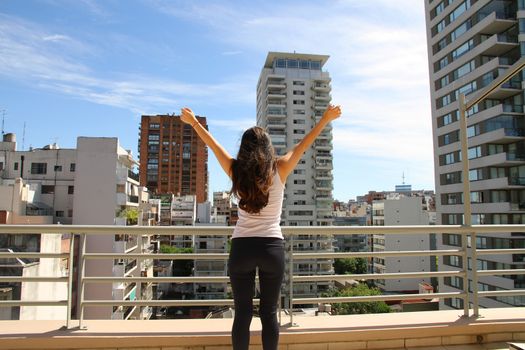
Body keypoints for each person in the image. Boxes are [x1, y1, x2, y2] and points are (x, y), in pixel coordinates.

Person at [180, 104, 341, 350]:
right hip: (271, 248)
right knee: (269, 313)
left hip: (242, 248)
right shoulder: (281, 168)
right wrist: (325, 118)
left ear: (243, 148)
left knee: (242, 314)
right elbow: (303, 145)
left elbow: (212, 145)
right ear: (268, 147)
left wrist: (194, 123)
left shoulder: (236, 170)